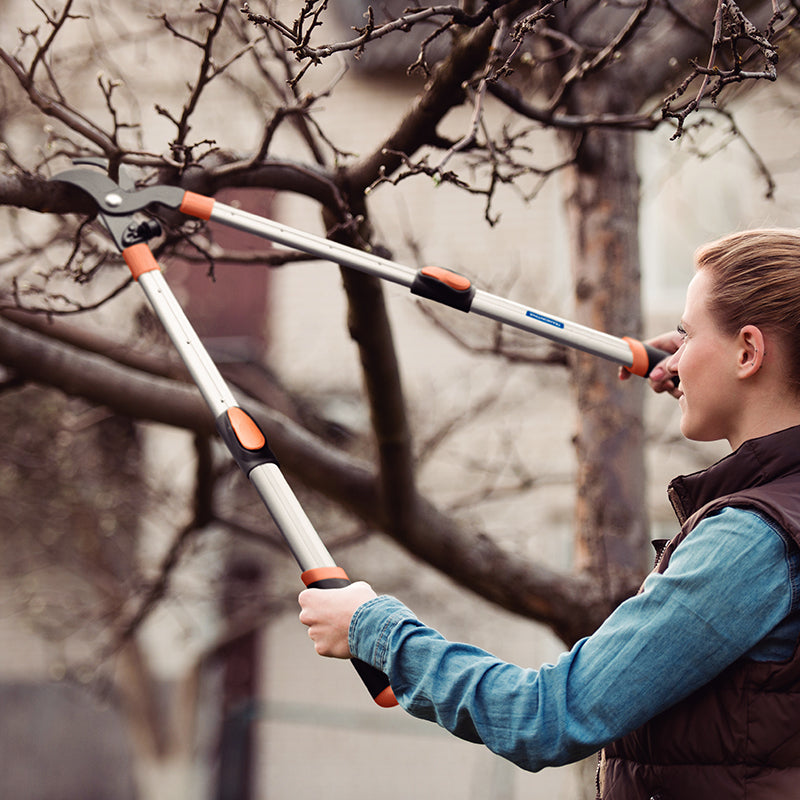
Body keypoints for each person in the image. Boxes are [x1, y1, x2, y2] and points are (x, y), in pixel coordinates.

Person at [298, 228, 800, 799]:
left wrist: (374, 630)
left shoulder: (749, 541)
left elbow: (546, 717)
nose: (675, 355)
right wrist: (703, 366)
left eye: (686, 334)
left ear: (748, 352)